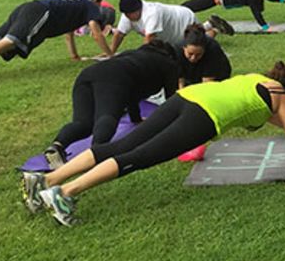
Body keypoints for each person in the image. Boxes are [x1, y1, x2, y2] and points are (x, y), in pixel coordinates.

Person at [22, 62, 285, 226]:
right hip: (202, 117)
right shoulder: (280, 95)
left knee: (122, 145)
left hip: (187, 97)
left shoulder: (257, 81)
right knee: (139, 156)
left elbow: (271, 117)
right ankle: (65, 194)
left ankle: (47, 180)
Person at [41, 40, 181, 169]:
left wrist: (136, 118)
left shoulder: (133, 55)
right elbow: (171, 100)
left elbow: (133, 92)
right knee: (108, 116)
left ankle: (57, 145)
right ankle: (96, 153)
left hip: (87, 74)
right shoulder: (168, 64)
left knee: (83, 124)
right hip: (113, 77)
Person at [0, 0, 115, 64]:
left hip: (27, 7)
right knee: (10, 41)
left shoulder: (75, 4)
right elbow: (96, 33)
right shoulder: (90, 5)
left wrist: (75, 56)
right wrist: (111, 56)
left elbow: (68, 34)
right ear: (94, 0)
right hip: (39, 11)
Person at [110, 0, 215, 53]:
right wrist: (110, 52)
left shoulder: (152, 13)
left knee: (195, 45)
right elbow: (119, 34)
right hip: (170, 33)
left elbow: (149, 38)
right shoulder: (127, 15)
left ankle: (212, 28)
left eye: (130, 14)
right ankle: (210, 25)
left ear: (138, 9)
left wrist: (140, 57)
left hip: (185, 19)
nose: (127, 17)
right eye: (126, 14)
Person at [178, 23, 232, 87]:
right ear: (184, 48)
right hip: (191, 74)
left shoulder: (213, 50)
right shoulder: (177, 50)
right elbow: (180, 79)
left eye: (198, 54)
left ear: (204, 49)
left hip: (218, 76)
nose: (193, 58)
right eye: (190, 54)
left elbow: (207, 85)